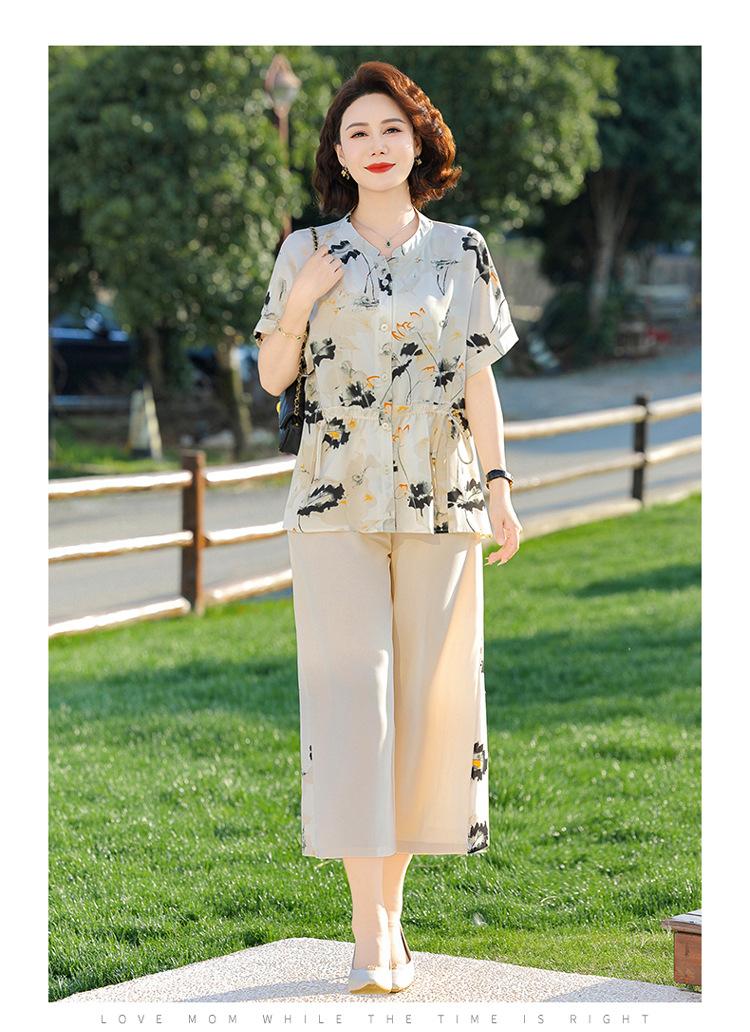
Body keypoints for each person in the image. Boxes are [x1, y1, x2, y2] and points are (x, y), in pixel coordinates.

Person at [254, 61, 523, 995]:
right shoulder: (307, 249)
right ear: (337, 152)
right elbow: (273, 376)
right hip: (333, 505)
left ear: (419, 143)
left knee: (424, 705)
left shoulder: (463, 251)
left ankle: (390, 915)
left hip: (444, 502)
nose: (374, 146)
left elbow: (478, 377)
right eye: (356, 133)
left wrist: (499, 487)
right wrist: (299, 300)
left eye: (390, 130)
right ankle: (368, 929)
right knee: (354, 701)